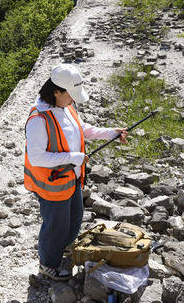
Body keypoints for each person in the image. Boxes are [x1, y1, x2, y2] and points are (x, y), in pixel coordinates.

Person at [24, 63, 128, 281]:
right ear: (56, 92)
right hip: (51, 185)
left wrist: (110, 133)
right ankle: (48, 265)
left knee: (74, 218)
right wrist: (73, 158)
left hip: (72, 179)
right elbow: (36, 157)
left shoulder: (66, 107)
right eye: (70, 95)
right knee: (55, 227)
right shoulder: (38, 120)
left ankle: (63, 251)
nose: (73, 100)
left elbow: (83, 130)